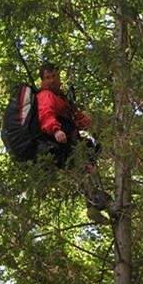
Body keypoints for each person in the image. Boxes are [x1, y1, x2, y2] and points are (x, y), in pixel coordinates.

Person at [36, 62, 111, 225]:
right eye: (47, 78)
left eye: (54, 76)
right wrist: (56, 130)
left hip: (72, 139)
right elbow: (45, 114)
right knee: (81, 164)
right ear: (42, 81)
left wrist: (97, 125)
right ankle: (93, 202)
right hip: (60, 141)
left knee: (90, 152)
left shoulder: (63, 98)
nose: (51, 81)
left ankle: (94, 201)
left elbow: (79, 118)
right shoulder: (45, 95)